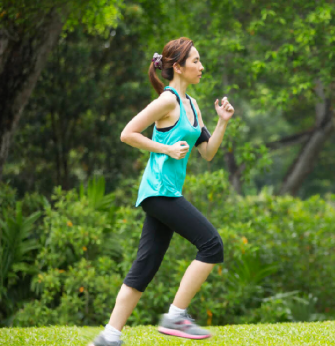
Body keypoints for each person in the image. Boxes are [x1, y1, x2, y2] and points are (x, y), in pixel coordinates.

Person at [90, 37, 234, 346]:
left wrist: (222, 123)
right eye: (196, 61)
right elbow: (127, 133)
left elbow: (207, 152)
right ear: (178, 67)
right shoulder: (167, 100)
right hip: (159, 191)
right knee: (212, 245)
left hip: (165, 192)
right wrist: (165, 149)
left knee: (145, 266)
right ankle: (176, 316)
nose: (202, 66)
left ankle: (108, 337)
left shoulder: (192, 105)